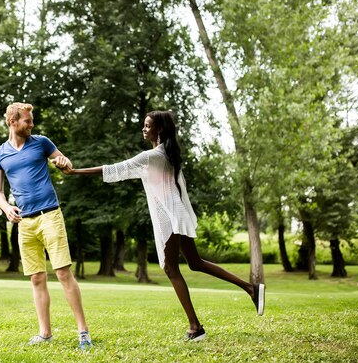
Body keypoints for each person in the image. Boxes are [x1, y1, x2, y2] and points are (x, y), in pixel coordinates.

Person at [59, 110, 265, 342]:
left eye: (148, 126)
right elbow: (125, 172)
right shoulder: (166, 155)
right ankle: (251, 289)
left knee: (170, 269)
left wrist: (74, 171)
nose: (143, 129)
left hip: (170, 217)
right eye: (144, 125)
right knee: (195, 263)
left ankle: (195, 328)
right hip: (178, 214)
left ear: (160, 129)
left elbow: (116, 168)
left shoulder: (152, 156)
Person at [0, 102, 92, 349]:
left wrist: (63, 162)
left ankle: (83, 332)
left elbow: (65, 164)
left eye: (32, 120)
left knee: (62, 273)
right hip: (24, 222)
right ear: (13, 122)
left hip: (50, 215)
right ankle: (45, 333)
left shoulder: (42, 142)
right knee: (36, 278)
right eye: (27, 120)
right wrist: (6, 208)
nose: (32, 124)